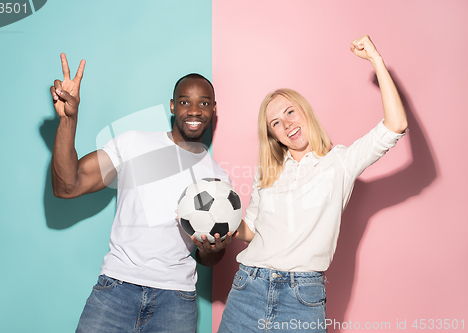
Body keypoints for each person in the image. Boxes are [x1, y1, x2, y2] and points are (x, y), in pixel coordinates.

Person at [218, 35, 408, 332]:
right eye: (276, 123)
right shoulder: (267, 171)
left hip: (302, 298)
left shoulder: (340, 162)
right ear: (273, 135)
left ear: (304, 111)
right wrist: (218, 223)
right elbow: (252, 231)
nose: (287, 124)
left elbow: (395, 125)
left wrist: (376, 60)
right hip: (248, 289)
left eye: (290, 112)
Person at [50, 54, 233, 333]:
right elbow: (67, 186)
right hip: (116, 290)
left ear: (213, 109)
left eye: (203, 103)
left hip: (176, 300)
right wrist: (68, 120)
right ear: (173, 106)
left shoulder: (218, 179)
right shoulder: (133, 143)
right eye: (185, 102)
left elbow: (207, 258)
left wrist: (214, 251)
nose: (194, 111)